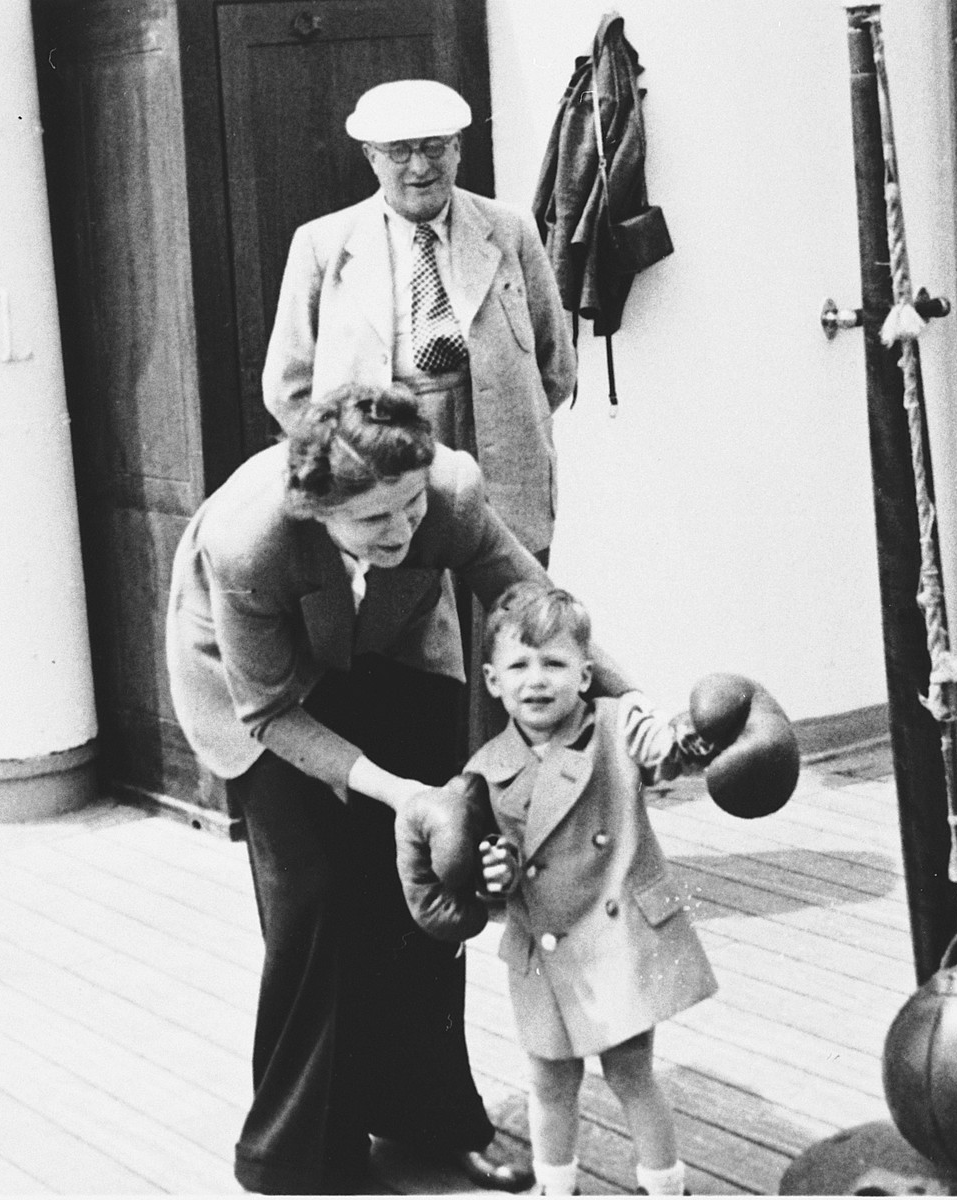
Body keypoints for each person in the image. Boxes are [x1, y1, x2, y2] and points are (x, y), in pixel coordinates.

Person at [165, 385, 636, 1195]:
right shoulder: (251, 544)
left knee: (433, 891)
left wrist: (634, 709)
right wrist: (398, 792)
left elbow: (535, 608)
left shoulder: (445, 493)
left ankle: (431, 1119)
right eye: (376, 519)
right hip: (256, 691)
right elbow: (273, 709)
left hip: (390, 644)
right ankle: (301, 1152)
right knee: (315, 898)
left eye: (411, 508)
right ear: (319, 510)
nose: (404, 529)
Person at [262, 77, 576, 748]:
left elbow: (554, 367)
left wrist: (499, 427)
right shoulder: (323, 244)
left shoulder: (509, 229)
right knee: (408, 651)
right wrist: (351, 473)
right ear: (370, 157)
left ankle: (515, 810)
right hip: (384, 468)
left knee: (513, 634)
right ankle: (429, 814)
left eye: (435, 147)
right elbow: (288, 388)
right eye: (399, 150)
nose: (419, 166)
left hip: (497, 456)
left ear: (458, 149)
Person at [468, 582, 720, 1197]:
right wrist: (491, 878)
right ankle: (559, 1190)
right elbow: (485, 871)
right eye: (519, 665)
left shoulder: (614, 730)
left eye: (554, 663)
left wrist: (672, 736)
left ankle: (666, 1188)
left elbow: (667, 759)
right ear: (493, 680)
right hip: (542, 954)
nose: (537, 680)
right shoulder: (484, 769)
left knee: (633, 1074)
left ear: (585, 676)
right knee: (549, 1082)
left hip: (618, 940)